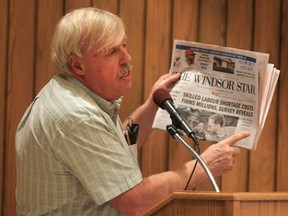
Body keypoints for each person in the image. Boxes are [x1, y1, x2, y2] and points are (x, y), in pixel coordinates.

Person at [15, 7, 249, 216]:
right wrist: (201, 167)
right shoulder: (78, 116)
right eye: (111, 52)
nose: (127, 58)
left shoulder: (69, 93)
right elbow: (135, 201)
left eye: (124, 46)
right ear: (78, 65)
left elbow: (114, 146)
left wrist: (151, 105)